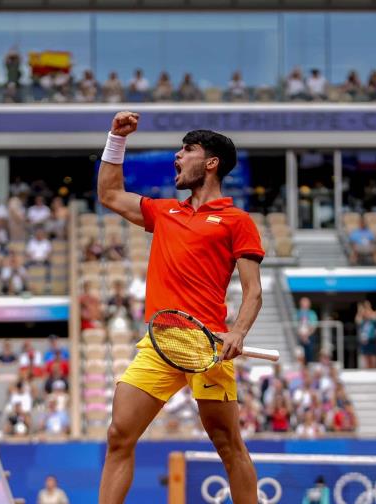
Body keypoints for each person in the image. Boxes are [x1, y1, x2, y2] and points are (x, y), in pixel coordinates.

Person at [97, 112, 264, 504]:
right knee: (119, 434)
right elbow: (109, 195)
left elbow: (253, 291)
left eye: (186, 150)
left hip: (206, 347)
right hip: (159, 342)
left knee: (228, 444)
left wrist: (237, 332)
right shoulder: (164, 212)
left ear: (211, 163)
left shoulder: (236, 221)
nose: (176, 156)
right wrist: (116, 139)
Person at [296, 297, 318, 363]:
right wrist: (302, 335)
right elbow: (295, 325)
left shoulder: (312, 313)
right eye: (303, 303)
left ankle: (309, 365)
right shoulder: (297, 313)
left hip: (309, 336)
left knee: (309, 352)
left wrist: (307, 335)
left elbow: (314, 325)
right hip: (299, 336)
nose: (304, 304)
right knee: (299, 353)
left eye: (306, 303)